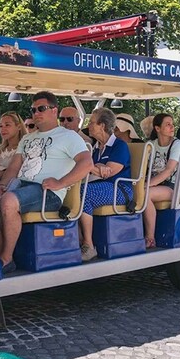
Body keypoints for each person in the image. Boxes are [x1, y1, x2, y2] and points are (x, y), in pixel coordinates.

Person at [0, 91, 92, 274]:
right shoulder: (27, 138)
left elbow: (87, 163)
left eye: (42, 108)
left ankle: (6, 257)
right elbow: (14, 168)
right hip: (20, 187)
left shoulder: (69, 136)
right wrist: (3, 185)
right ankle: (4, 249)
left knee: (9, 201)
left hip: (48, 192)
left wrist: (60, 183)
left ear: (54, 111)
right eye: (33, 110)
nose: (36, 113)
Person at [78, 108, 132, 261]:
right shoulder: (96, 148)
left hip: (120, 189)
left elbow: (109, 172)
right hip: (102, 186)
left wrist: (95, 167)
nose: (89, 126)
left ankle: (89, 245)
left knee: (84, 193)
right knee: (71, 191)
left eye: (92, 123)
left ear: (102, 126)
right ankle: (79, 240)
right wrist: (98, 166)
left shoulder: (119, 145)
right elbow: (97, 169)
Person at [145, 113, 180, 249]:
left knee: (145, 194)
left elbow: (168, 170)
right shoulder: (151, 145)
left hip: (172, 186)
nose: (172, 127)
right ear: (157, 128)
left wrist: (147, 184)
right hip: (155, 184)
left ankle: (150, 238)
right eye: (167, 124)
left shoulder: (177, 144)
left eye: (172, 124)